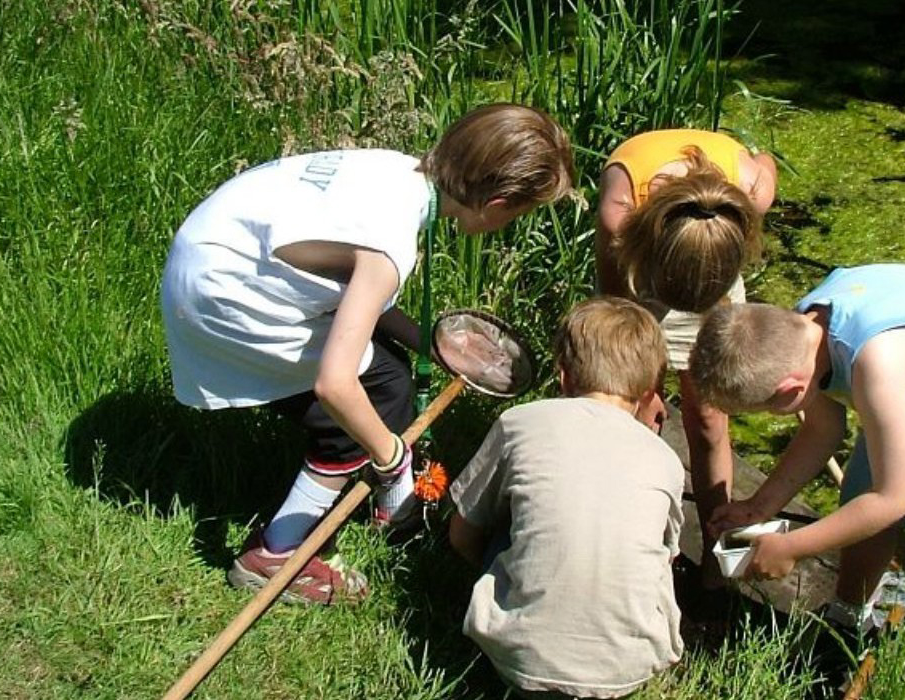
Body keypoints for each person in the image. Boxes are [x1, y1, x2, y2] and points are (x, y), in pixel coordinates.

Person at [161, 103, 575, 605]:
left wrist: (430, 345)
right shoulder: (390, 244)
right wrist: (390, 456)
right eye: (518, 214)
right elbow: (334, 385)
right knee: (357, 413)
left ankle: (379, 504)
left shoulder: (396, 170)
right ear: (497, 203)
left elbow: (353, 284)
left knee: (389, 379)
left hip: (211, 254)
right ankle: (275, 555)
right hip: (222, 298)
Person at [690, 263, 905, 628]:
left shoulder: (877, 365)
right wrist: (758, 508)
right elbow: (823, 431)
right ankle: (849, 618)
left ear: (790, 391)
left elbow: (894, 498)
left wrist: (791, 547)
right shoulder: (799, 336)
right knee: (859, 499)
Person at [449, 297, 684, 699]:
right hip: (625, 672)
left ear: (563, 377)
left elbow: (462, 533)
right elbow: (668, 556)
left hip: (520, 664)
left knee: (507, 520)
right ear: (649, 393)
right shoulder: (666, 460)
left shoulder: (519, 422)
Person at [596, 128, 778, 588]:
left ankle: (717, 568)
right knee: (635, 415)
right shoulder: (622, 214)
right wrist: (641, 375)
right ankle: (638, 545)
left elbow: (766, 161)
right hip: (639, 283)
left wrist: (755, 157)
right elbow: (615, 303)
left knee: (709, 418)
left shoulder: (752, 192)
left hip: (711, 258)